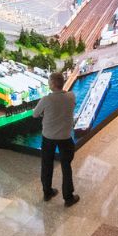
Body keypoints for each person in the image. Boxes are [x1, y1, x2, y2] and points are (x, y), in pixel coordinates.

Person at [32, 72, 79, 207]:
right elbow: (71, 106)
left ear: (52, 84)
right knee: (66, 167)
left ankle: (47, 193)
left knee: (46, 165)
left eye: (49, 81)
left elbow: (35, 114)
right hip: (65, 137)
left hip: (48, 137)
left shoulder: (46, 100)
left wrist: (45, 113)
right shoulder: (71, 96)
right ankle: (68, 198)